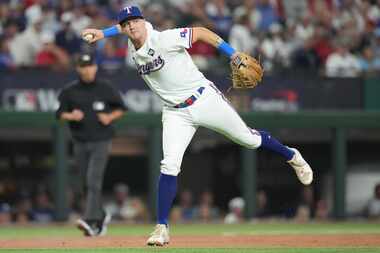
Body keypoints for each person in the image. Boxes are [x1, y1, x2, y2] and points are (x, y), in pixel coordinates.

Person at [82, 5, 313, 246]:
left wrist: (232, 54)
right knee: (169, 164)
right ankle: (162, 227)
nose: (131, 26)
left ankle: (292, 155)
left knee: (249, 140)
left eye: (135, 21)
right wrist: (103, 33)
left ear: (144, 21)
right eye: (127, 23)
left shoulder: (164, 38)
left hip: (203, 98)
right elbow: (121, 28)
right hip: (175, 113)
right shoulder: (131, 40)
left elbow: (202, 32)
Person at [56, 53, 127, 236]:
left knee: (93, 180)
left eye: (89, 66)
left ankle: (89, 220)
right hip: (80, 140)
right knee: (84, 185)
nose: (87, 69)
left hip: (101, 140)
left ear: (95, 67)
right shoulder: (70, 91)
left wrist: (110, 116)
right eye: (83, 66)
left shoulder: (105, 88)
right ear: (78, 69)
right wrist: (71, 116)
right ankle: (101, 217)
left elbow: (121, 108)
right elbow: (60, 114)